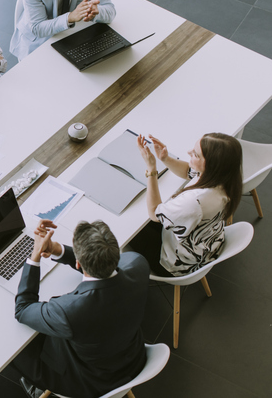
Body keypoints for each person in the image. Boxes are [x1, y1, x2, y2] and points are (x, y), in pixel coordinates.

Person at [13, 219, 148, 398]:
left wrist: (35, 256)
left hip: (92, 381)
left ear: (78, 263)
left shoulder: (68, 311)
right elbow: (105, 267)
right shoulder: (138, 265)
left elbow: (22, 308)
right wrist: (56, 249)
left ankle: (36, 388)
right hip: (133, 360)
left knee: (16, 351)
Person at [127, 133, 242, 277]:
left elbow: (154, 212)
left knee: (128, 226)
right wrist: (165, 159)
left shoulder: (195, 201)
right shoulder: (224, 178)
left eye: (196, 154)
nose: (189, 152)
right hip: (204, 244)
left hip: (177, 263)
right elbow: (189, 171)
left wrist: (151, 169)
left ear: (211, 164)